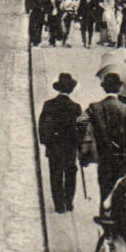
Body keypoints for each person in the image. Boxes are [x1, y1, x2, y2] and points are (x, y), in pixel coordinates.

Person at [86, 73, 126, 211]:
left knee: (104, 186)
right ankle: (116, 215)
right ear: (119, 88)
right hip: (121, 156)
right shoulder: (124, 108)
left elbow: (81, 124)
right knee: (118, 187)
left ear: (104, 88)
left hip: (103, 156)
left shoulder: (94, 107)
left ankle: (104, 214)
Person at [37, 73, 86, 215]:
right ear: (70, 90)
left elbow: (42, 125)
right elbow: (82, 127)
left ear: (58, 89)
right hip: (70, 147)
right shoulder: (76, 107)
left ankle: (59, 205)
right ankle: (68, 202)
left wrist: (46, 142)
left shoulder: (48, 105)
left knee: (55, 174)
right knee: (70, 173)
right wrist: (79, 144)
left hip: (54, 147)